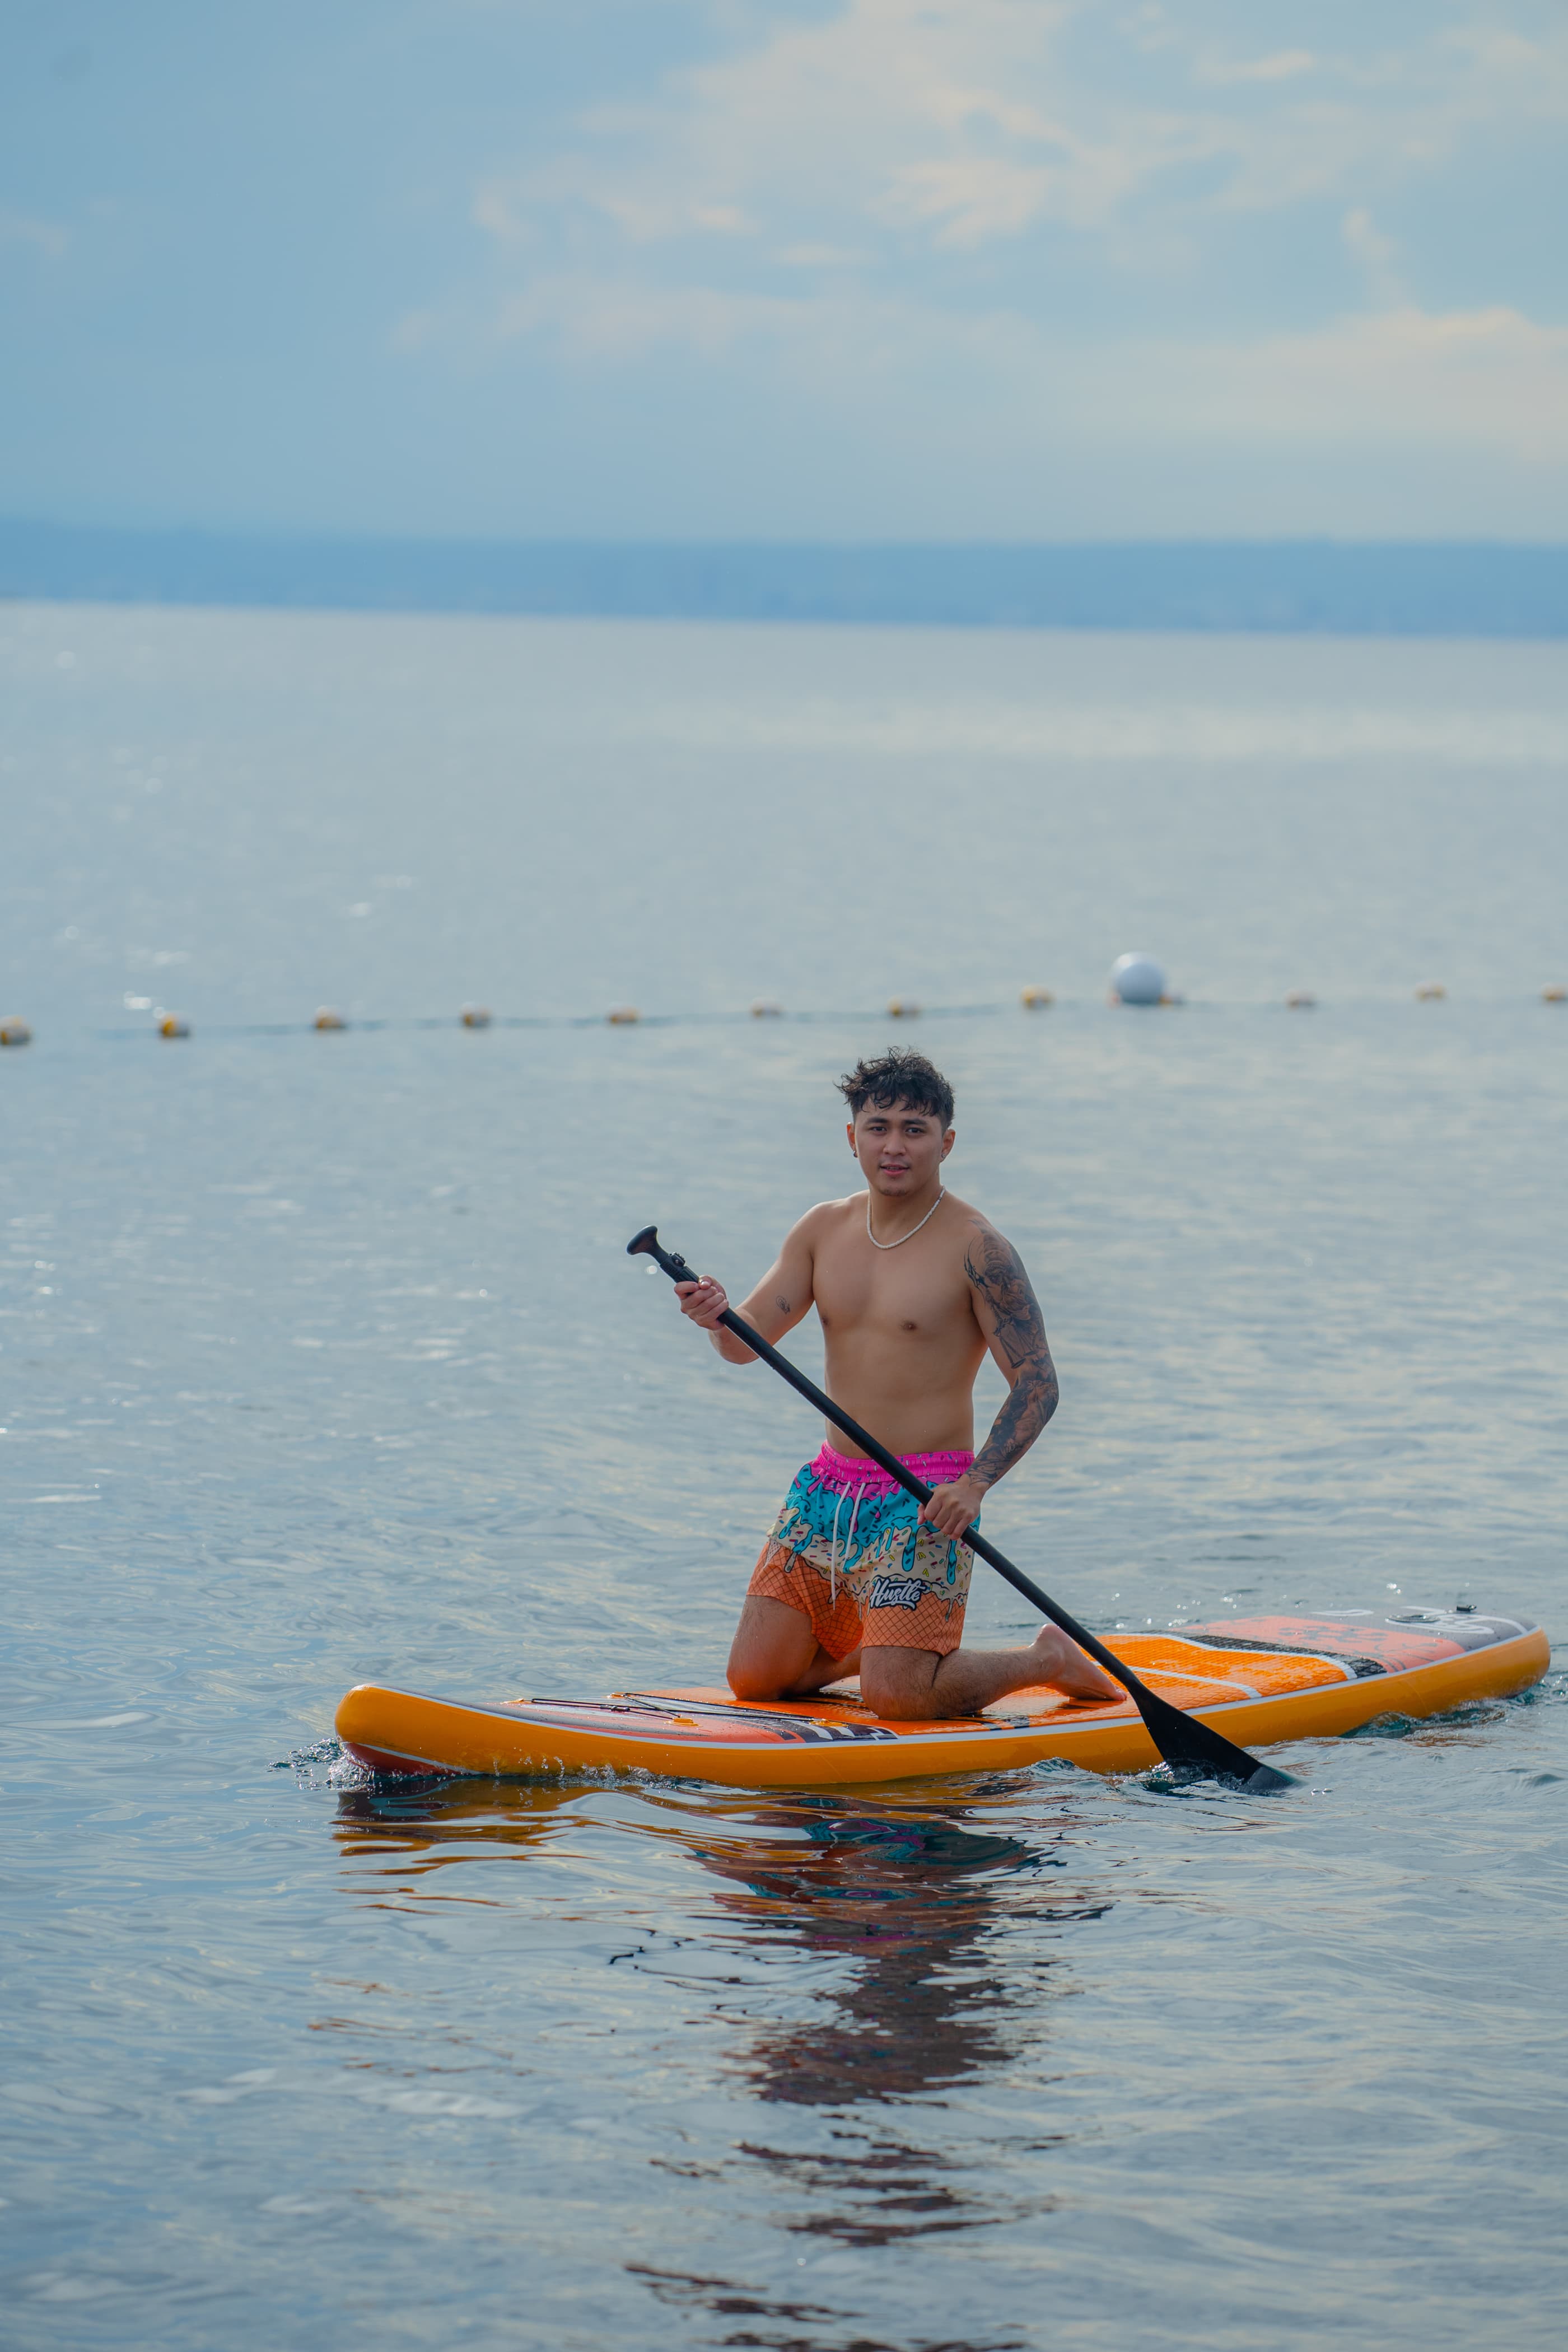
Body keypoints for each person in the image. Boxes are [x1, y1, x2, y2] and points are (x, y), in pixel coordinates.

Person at [675, 1049, 1121, 1721]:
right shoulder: (821, 1229)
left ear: (945, 1142)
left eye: (914, 1129)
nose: (894, 1145)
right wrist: (714, 1315)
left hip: (926, 1497)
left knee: (898, 1699)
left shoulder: (978, 1248)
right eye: (878, 1126)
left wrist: (974, 1486)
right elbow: (742, 1347)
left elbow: (1037, 1383)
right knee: (755, 1682)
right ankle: (883, 1645)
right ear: (851, 1137)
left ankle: (1046, 1660)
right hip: (826, 1491)